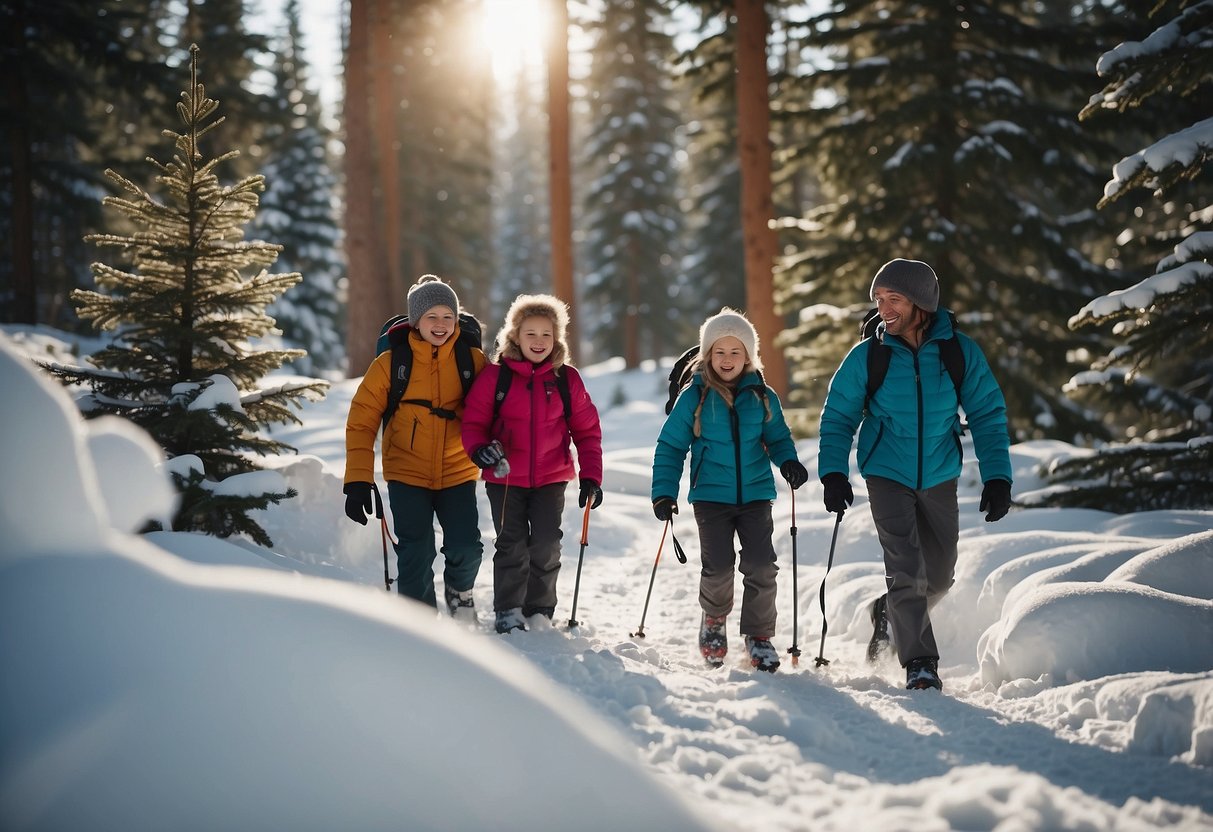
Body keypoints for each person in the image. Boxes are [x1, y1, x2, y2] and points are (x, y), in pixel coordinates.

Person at [817, 258, 1013, 691]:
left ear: (921, 303)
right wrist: (833, 473)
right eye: (879, 299)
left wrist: (998, 476)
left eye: (894, 299)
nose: (883, 308)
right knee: (906, 568)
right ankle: (920, 662)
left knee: (939, 575)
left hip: (939, 472)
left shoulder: (958, 352)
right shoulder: (869, 355)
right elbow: (837, 417)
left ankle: (888, 612)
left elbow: (987, 413)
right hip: (886, 471)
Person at [650, 308, 808, 673]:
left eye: (735, 351)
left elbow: (778, 438)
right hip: (711, 497)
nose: (727, 359)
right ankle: (714, 619)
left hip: (755, 496)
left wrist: (788, 461)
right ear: (708, 355)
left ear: (748, 355)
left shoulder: (764, 396)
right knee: (719, 567)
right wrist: (664, 492)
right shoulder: (695, 397)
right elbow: (671, 446)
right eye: (719, 352)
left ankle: (759, 635)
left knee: (761, 566)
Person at [343, 274, 487, 621]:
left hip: (457, 470)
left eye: (447, 317)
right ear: (415, 321)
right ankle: (419, 625)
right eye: (431, 317)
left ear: (456, 319)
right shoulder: (390, 364)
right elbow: (362, 421)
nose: (440, 325)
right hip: (406, 472)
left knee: (467, 546)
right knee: (415, 552)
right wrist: (358, 480)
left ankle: (459, 590)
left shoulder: (473, 362)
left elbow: (494, 411)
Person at [461, 294, 604, 635]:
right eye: (530, 334)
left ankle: (539, 608)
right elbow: (473, 423)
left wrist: (591, 476)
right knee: (510, 543)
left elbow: (587, 431)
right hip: (505, 476)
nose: (539, 342)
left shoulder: (565, 379)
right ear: (514, 336)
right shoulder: (496, 378)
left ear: (557, 338)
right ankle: (508, 609)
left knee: (545, 543)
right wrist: (479, 450)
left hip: (551, 477)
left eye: (546, 334)